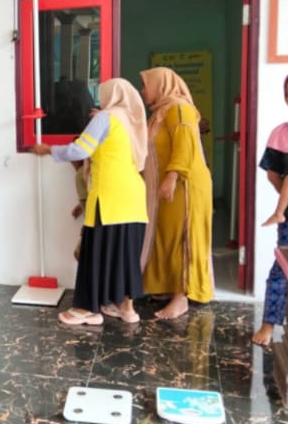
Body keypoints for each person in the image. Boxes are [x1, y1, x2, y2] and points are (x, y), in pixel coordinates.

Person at [30, 78, 149, 329]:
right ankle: (126, 308)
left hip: (109, 197)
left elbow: (79, 150)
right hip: (134, 197)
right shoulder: (132, 120)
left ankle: (87, 309)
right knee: (126, 254)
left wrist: (49, 150)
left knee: (95, 253)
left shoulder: (105, 118)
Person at [140, 66, 214, 319]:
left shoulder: (179, 108)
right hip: (169, 185)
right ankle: (165, 287)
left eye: (146, 85)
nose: (143, 90)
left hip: (184, 186)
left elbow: (185, 144)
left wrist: (172, 176)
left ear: (160, 85)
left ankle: (181, 296)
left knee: (182, 236)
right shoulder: (160, 113)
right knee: (164, 234)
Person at [252, 72, 288, 348]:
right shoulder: (281, 134)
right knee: (282, 265)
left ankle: (280, 324)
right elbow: (274, 175)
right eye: (287, 93)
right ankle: (268, 324)